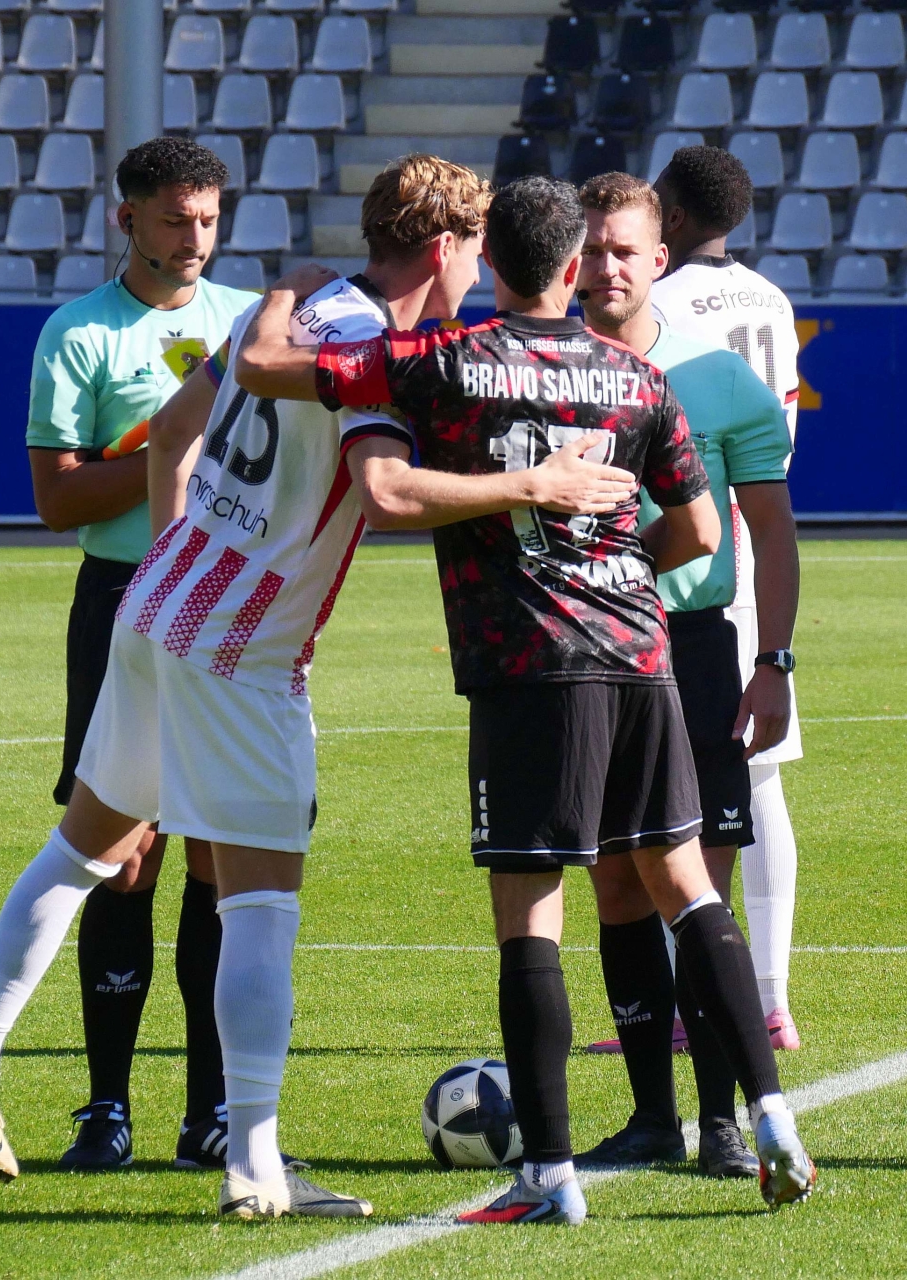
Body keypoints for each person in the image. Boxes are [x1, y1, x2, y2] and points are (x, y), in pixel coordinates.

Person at [0, 153, 500, 1220]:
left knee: (81, 849)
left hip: (158, 606)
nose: (481, 273)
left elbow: (176, 433)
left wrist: (178, 547)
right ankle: (254, 1166)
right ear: (441, 248)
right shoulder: (368, 353)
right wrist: (535, 484)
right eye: (476, 250)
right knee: (261, 906)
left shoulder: (291, 309)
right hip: (242, 650)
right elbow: (384, 495)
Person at [228, 176, 818, 1222]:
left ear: (491, 260)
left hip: (528, 661)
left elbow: (265, 368)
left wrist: (288, 292)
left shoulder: (442, 360)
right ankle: (773, 1118)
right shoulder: (638, 377)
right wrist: (609, 561)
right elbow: (699, 533)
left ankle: (548, 1175)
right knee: (688, 885)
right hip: (642, 655)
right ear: (575, 265)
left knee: (530, 914)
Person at [22, 136, 258, 1172]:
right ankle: (105, 1106)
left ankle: (210, 1111)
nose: (195, 237)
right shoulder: (79, 334)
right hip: (121, 597)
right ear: (127, 219)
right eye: (175, 218)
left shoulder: (248, 323)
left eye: (208, 218)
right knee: (125, 856)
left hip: (233, 606)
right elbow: (57, 500)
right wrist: (166, 443)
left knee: (217, 854)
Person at [565, 172, 799, 1183]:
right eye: (592, 248)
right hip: (583, 646)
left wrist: (773, 660)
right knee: (616, 877)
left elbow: (771, 532)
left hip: (691, 645)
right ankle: (652, 1117)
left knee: (696, 878)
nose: (607, 265)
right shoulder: (538, 369)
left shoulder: (718, 378)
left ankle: (720, 1120)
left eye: (625, 248)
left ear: (660, 259)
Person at [649, 145, 805, 1047]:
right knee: (760, 778)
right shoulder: (771, 299)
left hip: (693, 558)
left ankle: (689, 996)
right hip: (757, 540)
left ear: (668, 218)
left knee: (679, 786)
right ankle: (769, 994)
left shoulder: (661, 302)